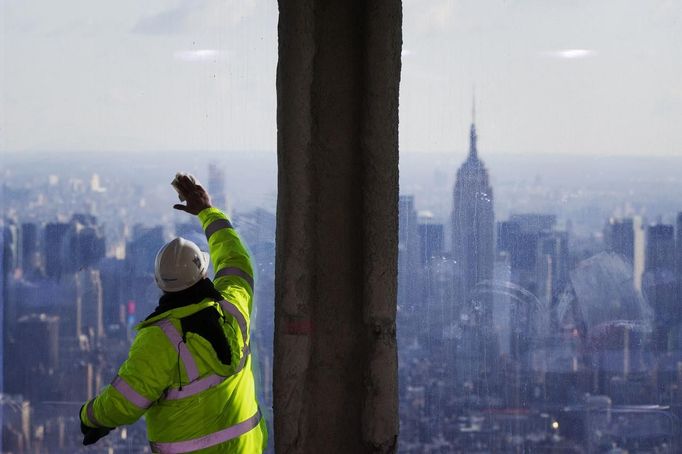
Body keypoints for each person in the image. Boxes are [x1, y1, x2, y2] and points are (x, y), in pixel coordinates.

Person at [79, 173, 267, 453]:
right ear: (203, 271)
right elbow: (234, 259)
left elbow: (124, 403)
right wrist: (206, 211)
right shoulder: (234, 307)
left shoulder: (159, 340)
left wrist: (89, 416)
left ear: (159, 284)